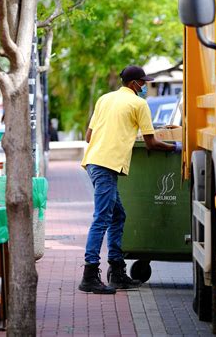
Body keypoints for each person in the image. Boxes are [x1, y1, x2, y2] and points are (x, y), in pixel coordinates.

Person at [79, 65, 181, 294]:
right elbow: (152, 143)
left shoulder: (104, 99)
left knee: (117, 215)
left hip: (94, 162)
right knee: (102, 218)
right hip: (107, 165)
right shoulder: (139, 104)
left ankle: (117, 272)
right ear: (134, 83)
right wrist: (175, 146)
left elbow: (89, 136)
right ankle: (89, 274)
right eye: (143, 83)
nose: (144, 86)